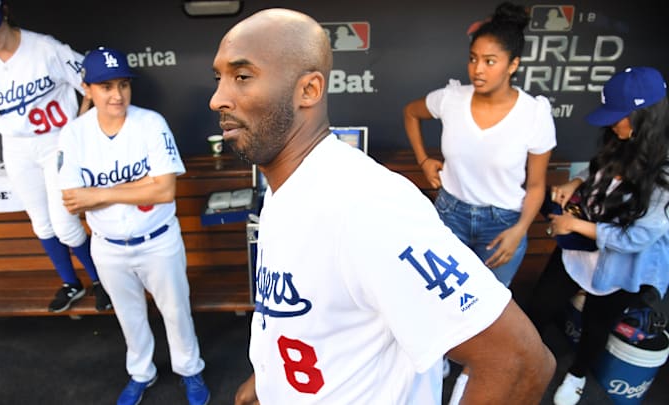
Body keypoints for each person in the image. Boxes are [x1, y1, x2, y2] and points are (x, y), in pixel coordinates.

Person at [210, 8, 555, 405]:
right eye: (218, 77)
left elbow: (520, 363)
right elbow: (306, 316)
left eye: (242, 76)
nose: (218, 97)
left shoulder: (368, 206)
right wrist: (269, 379)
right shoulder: (285, 187)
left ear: (308, 90)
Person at [403, 3, 556, 401]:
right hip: (449, 215)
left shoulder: (534, 115)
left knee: (482, 312)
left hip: (501, 226)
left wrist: (519, 231)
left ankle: (470, 374)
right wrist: (424, 160)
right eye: (473, 59)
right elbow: (410, 113)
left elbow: (537, 186)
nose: (478, 69)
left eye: (490, 61)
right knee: (435, 296)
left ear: (513, 65)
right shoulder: (452, 100)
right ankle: (437, 360)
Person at [57, 47, 210, 405]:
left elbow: (164, 189)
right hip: (108, 245)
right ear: (87, 88)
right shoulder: (74, 134)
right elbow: (73, 199)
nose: (117, 94)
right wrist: (134, 188)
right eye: (106, 86)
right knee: (129, 316)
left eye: (123, 84)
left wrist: (99, 195)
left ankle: (189, 369)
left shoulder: (150, 123)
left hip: (157, 239)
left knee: (176, 311)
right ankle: (142, 372)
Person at [0, 0, 108, 312]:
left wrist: (79, 123)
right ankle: (70, 283)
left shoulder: (46, 48)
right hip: (16, 145)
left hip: (55, 143)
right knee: (41, 224)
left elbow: (92, 83)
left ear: (4, 11)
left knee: (65, 225)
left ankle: (101, 280)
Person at [527, 66, 669, 405]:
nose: (611, 123)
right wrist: (575, 184)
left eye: (618, 116)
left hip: (622, 265)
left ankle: (576, 376)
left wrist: (575, 225)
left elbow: (637, 239)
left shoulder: (664, 170)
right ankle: (522, 358)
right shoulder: (620, 138)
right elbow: (598, 170)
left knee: (596, 323)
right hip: (579, 248)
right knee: (540, 305)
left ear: (645, 116)